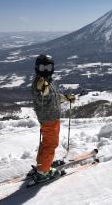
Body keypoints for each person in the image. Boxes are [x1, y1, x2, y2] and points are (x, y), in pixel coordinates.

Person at [31, 54, 75, 182]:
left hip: (52, 118)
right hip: (49, 119)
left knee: (47, 143)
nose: (46, 70)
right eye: (43, 67)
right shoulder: (39, 83)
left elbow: (53, 96)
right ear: (37, 68)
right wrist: (41, 89)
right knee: (51, 144)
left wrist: (65, 98)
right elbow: (39, 92)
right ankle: (43, 172)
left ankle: (42, 165)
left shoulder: (50, 81)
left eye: (48, 67)